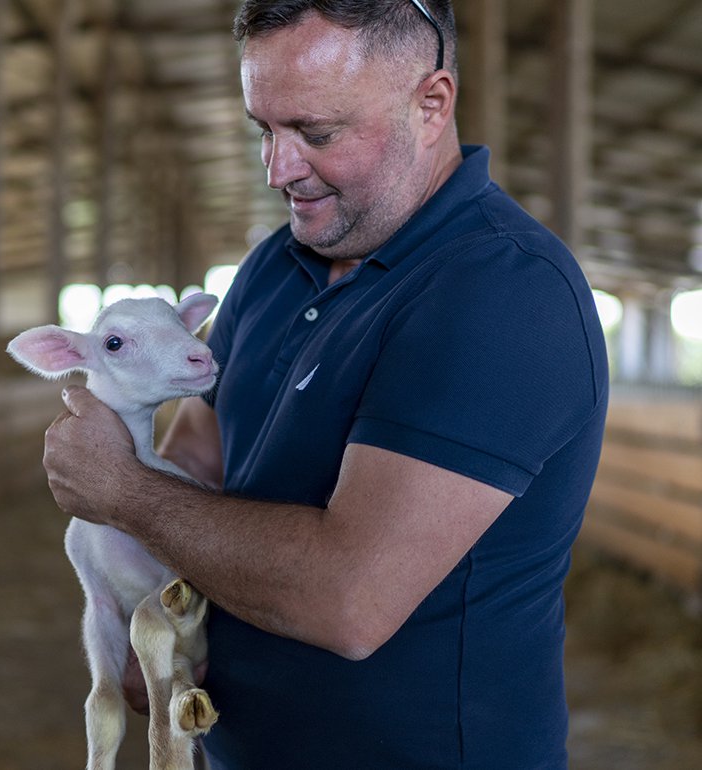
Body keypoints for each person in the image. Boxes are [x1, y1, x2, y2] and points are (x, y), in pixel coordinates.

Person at [42, 1, 609, 767]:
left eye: (317, 133)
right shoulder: (275, 266)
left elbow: (349, 599)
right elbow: (199, 460)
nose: (279, 169)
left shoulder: (501, 291)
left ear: (431, 104)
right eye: (263, 131)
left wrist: (126, 493)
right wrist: (156, 621)